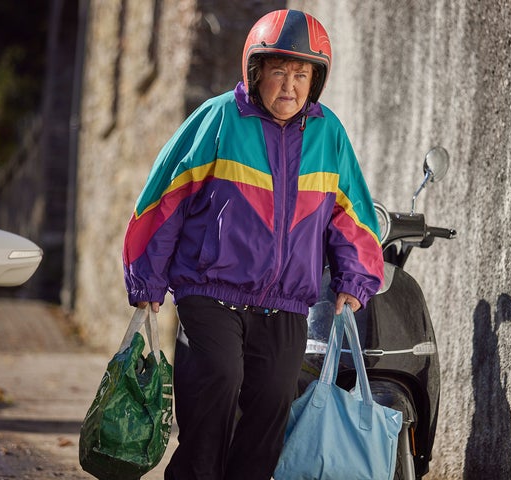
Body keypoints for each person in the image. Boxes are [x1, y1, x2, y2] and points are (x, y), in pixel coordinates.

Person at [122, 9, 384, 480]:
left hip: (285, 303)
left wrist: (355, 277)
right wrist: (147, 276)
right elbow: (163, 199)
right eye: (279, 71)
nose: (290, 86)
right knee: (217, 385)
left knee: (272, 409)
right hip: (210, 292)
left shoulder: (329, 134)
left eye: (302, 74)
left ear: (316, 80)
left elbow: (353, 215)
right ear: (255, 70)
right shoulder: (218, 118)